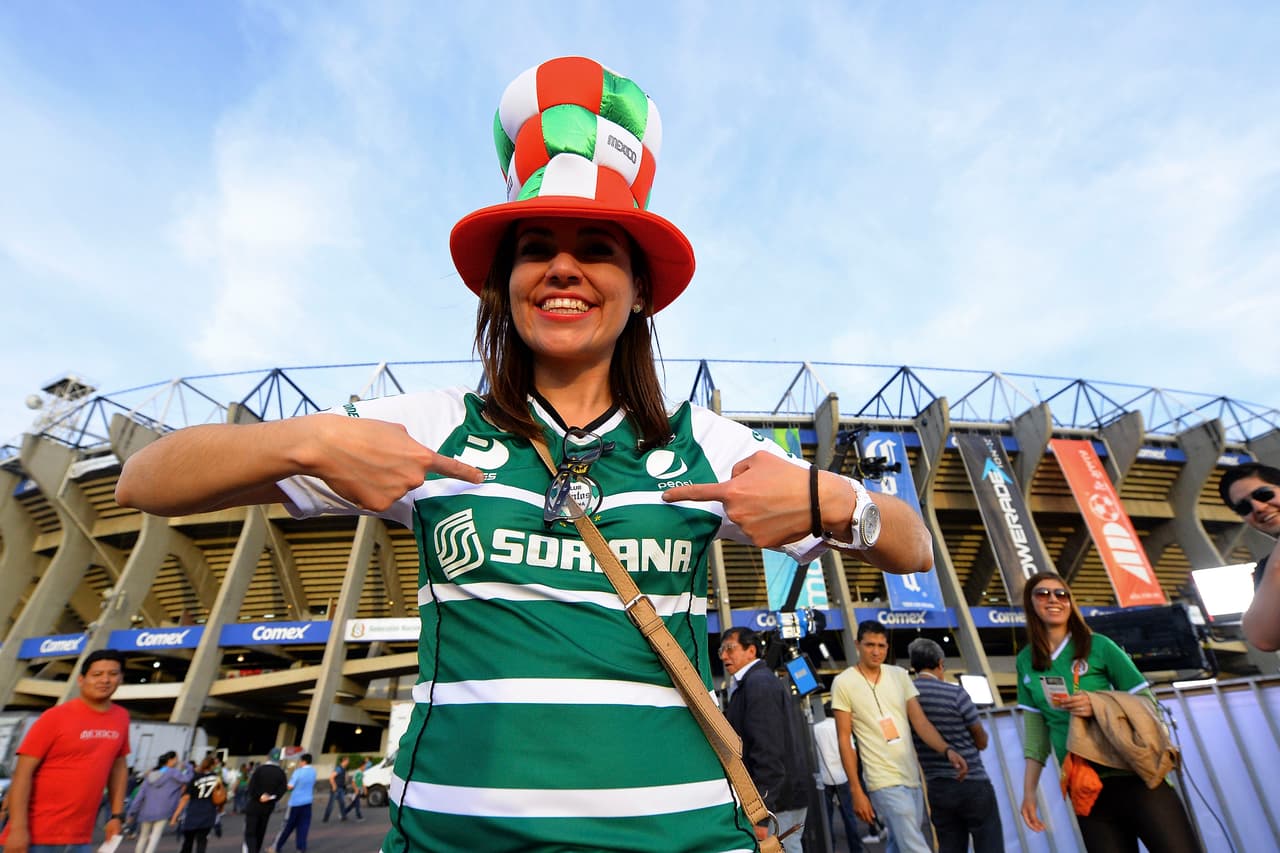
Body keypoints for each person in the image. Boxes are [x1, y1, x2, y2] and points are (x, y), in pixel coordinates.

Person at [114, 54, 932, 853]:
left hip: (683, 834)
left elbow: (911, 542)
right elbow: (143, 481)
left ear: (641, 288)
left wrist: (841, 504)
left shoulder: (700, 442)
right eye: (536, 246)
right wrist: (310, 437)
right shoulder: (432, 426)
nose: (563, 266)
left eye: (598, 247)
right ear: (503, 282)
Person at [1016, 572, 1200, 851]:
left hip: (1136, 775)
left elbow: (1147, 703)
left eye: (1061, 594)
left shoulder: (1099, 646)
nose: (1053, 599)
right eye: (1043, 594)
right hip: (1086, 787)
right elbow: (1036, 735)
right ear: (1030, 604)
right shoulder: (1025, 661)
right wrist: (1029, 793)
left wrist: (1098, 704)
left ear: (1070, 602)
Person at [830, 621, 967, 853]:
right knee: (914, 845)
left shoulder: (899, 675)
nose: (876, 651)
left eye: (881, 645)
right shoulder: (843, 683)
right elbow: (844, 740)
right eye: (870, 645)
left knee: (899, 843)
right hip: (881, 778)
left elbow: (920, 721)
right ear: (857, 645)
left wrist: (947, 750)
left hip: (911, 776)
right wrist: (856, 789)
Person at [0, 649, 131, 853]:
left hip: (80, 839)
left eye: (113, 674)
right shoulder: (55, 717)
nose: (105, 680)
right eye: (97, 674)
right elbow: (22, 773)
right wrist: (17, 828)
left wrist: (116, 815)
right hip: (36, 836)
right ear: (81, 679)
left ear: (121, 678)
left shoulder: (121, 717)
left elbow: (118, 767)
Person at [719, 627, 811, 851]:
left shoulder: (758, 684)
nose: (723, 656)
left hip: (778, 804)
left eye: (730, 648)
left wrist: (762, 814)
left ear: (751, 651)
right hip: (780, 799)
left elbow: (768, 750)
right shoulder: (752, 683)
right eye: (721, 650)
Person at [907, 638, 1003, 853]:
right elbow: (981, 739)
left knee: (950, 846)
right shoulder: (956, 694)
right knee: (989, 844)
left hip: (937, 786)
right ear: (941, 664)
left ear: (914, 666)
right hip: (973, 783)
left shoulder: (907, 696)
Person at [1218, 462, 1280, 650]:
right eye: (1244, 507)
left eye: (1263, 494)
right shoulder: (1266, 570)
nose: (1258, 508)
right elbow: (1263, 638)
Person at [811, 708, 864, 853]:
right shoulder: (842, 728)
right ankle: (856, 849)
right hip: (843, 776)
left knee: (826, 818)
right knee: (849, 816)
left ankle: (830, 848)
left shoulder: (816, 729)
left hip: (824, 778)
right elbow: (852, 752)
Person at [125, 751, 193, 853]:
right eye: (176, 759)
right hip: (164, 810)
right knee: (154, 837)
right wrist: (188, 766)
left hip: (146, 811)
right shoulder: (173, 773)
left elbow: (140, 796)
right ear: (171, 760)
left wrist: (131, 812)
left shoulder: (150, 775)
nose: (177, 761)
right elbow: (188, 778)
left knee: (143, 837)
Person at [169, 757, 219, 853]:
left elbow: (185, 798)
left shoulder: (195, 778)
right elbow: (221, 796)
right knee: (202, 840)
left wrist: (175, 816)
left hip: (194, 811)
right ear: (213, 765)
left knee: (188, 840)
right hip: (209, 811)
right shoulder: (216, 778)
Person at [270, 753, 317, 853]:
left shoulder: (298, 772)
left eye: (300, 761)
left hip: (295, 802)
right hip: (307, 802)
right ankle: (301, 848)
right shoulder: (313, 771)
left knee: (288, 826)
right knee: (303, 826)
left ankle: (277, 847)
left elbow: (290, 786)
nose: (299, 763)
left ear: (304, 761)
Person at [241, 757, 288, 853]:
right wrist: (272, 797)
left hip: (254, 805)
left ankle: (251, 850)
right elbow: (282, 789)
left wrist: (260, 796)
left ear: (268, 757)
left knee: (250, 833)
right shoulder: (281, 772)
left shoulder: (259, 769)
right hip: (268, 807)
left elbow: (251, 788)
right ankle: (256, 850)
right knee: (260, 832)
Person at [321, 756, 351, 823]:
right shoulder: (338, 768)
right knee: (331, 804)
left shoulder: (343, 769)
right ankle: (325, 818)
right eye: (348, 761)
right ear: (344, 760)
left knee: (342, 803)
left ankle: (344, 817)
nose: (348, 762)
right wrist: (334, 786)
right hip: (336, 789)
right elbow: (331, 777)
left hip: (341, 788)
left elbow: (343, 778)